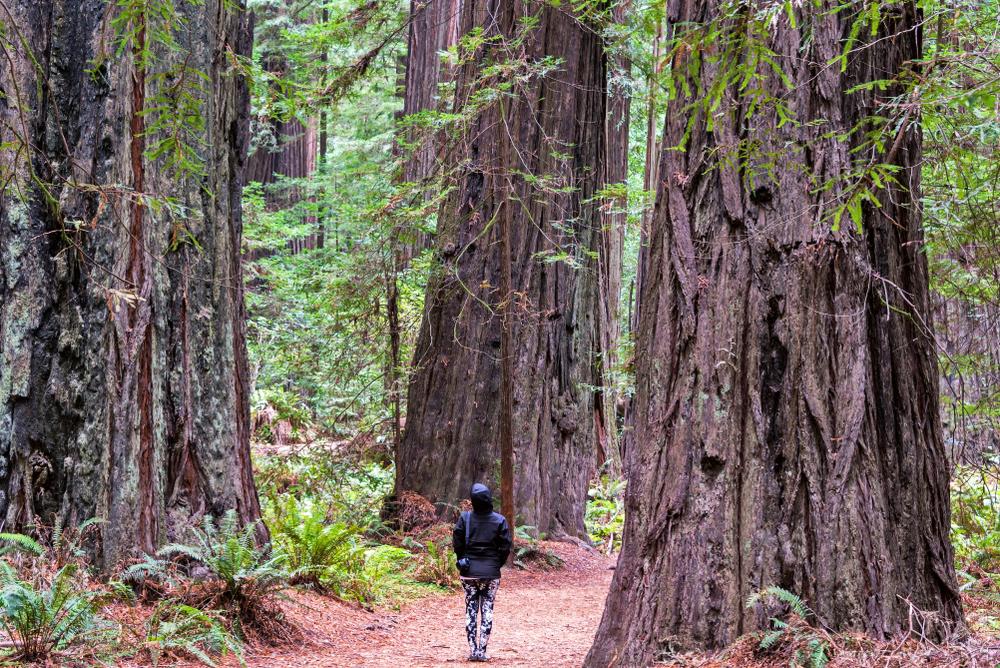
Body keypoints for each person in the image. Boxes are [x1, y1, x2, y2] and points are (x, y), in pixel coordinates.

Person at [452, 483, 512, 662]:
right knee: (487, 609)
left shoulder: (465, 518)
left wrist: (463, 559)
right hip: (491, 574)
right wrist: (496, 564)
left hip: (469, 573)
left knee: (471, 609)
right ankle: (482, 651)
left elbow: (457, 543)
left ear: (473, 500)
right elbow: (505, 547)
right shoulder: (499, 520)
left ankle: (473, 650)